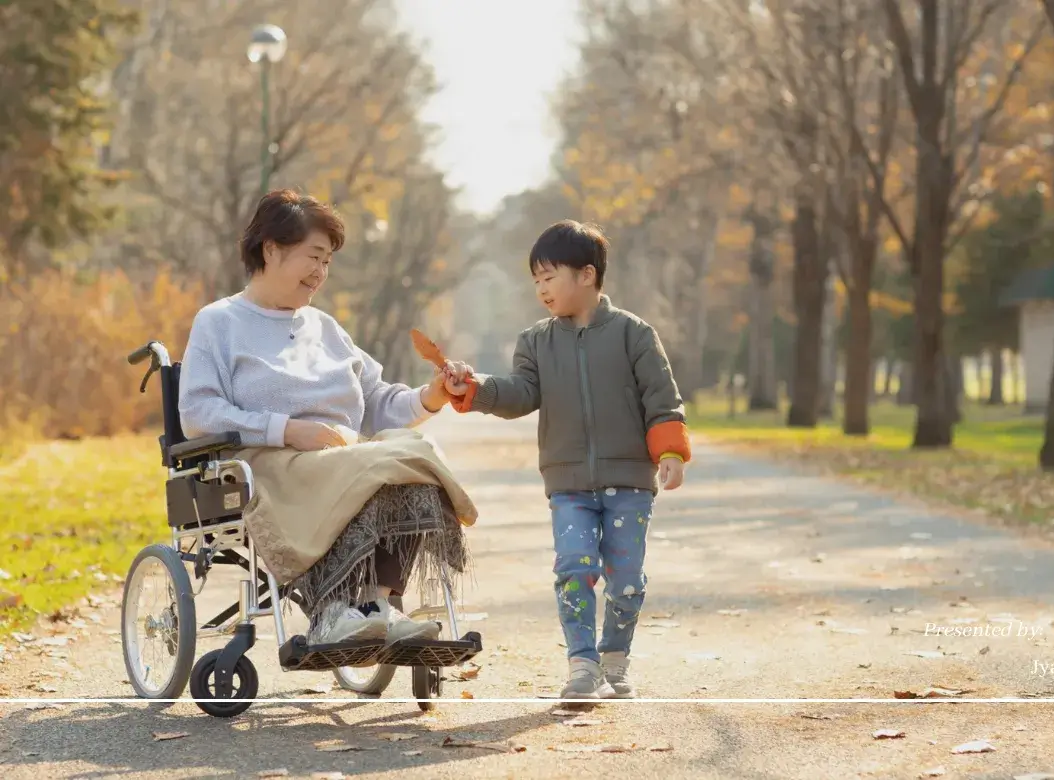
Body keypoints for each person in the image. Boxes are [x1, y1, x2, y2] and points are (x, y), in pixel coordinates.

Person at [178, 189, 477, 648]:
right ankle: (333, 611)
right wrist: (289, 429)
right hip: (268, 466)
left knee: (416, 454)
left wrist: (432, 395)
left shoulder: (326, 329)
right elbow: (198, 412)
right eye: (313, 257)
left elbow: (376, 401)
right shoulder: (220, 322)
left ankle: (376, 604)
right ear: (271, 248)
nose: (320, 273)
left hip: (341, 459)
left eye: (328, 262)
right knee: (371, 466)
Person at [443, 219, 691, 699]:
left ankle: (615, 657)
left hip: (629, 480)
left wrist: (671, 451)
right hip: (569, 482)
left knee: (626, 581)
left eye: (549, 276)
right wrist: (474, 390)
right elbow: (520, 393)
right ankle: (582, 665)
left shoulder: (633, 334)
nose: (541, 289)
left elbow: (662, 397)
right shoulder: (536, 341)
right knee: (574, 569)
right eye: (535, 279)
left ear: (587, 275)